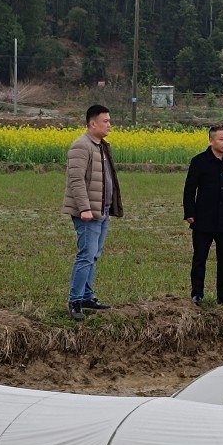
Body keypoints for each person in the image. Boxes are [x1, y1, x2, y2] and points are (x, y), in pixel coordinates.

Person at [61, 104, 123, 321]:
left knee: (94, 255)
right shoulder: (81, 146)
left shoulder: (101, 146)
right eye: (105, 121)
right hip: (88, 212)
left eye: (109, 121)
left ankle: (87, 296)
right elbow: (76, 180)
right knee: (86, 255)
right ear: (92, 123)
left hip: (102, 209)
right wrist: (85, 208)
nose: (109, 125)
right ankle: (75, 300)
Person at [183, 126, 223, 305]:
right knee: (199, 258)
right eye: (221, 139)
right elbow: (189, 189)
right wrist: (189, 213)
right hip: (203, 218)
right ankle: (197, 294)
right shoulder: (199, 161)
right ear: (211, 141)